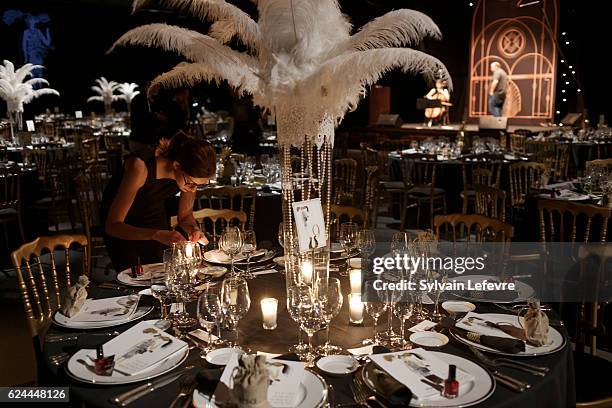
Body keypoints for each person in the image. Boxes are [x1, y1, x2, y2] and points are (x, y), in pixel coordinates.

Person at [101, 131, 216, 272]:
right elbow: (113, 226)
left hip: (155, 221)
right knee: (135, 281)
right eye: (192, 183)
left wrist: (194, 229)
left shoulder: (188, 175)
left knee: (162, 277)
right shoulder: (140, 167)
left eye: (199, 185)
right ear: (176, 166)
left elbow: (185, 216)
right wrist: (156, 234)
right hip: (124, 230)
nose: (193, 190)